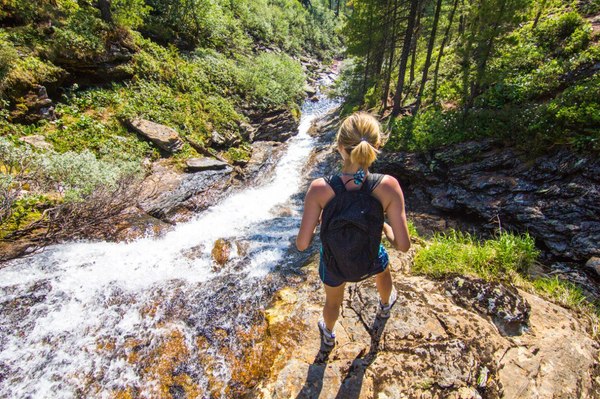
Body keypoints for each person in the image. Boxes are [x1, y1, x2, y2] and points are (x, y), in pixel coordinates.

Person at [296, 111, 411, 347]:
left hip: (335, 264)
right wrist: (385, 227)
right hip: (368, 258)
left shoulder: (319, 189)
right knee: (383, 264)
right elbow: (403, 245)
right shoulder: (388, 186)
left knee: (332, 303)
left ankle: (328, 334)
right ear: (377, 146)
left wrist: (320, 223)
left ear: (340, 147)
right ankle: (386, 303)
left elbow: (302, 244)